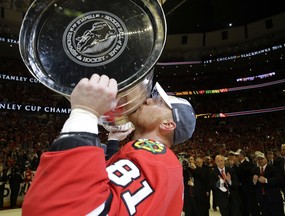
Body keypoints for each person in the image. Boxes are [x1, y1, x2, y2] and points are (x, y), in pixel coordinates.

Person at [22, 74, 196, 216]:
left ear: (167, 125)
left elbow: (61, 208)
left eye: (159, 103)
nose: (148, 100)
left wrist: (84, 113)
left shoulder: (152, 157)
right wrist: (113, 142)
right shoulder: (160, 160)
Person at [252, 152, 285, 216]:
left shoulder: (273, 168)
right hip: (263, 200)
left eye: (262, 159)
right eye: (258, 159)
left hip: (274, 199)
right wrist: (254, 181)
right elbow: (253, 186)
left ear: (266, 159)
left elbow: (278, 180)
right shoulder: (255, 170)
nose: (260, 161)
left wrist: (266, 180)